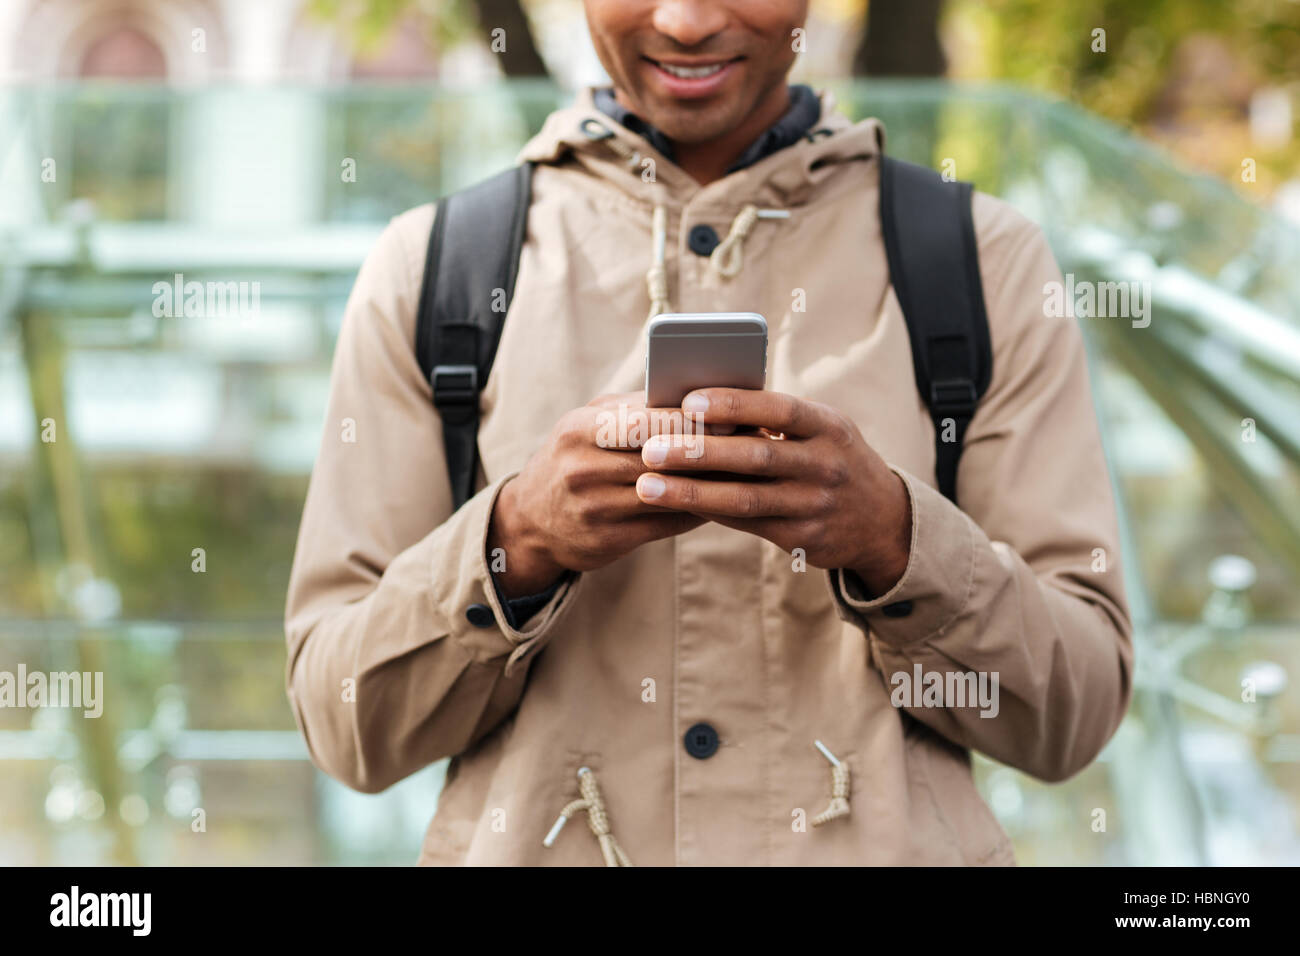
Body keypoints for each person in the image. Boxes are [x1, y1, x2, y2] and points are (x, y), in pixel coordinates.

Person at [285, 0, 1133, 865]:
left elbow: (1073, 716)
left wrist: (897, 541)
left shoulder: (985, 263)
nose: (687, 22)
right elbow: (345, 726)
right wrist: (515, 543)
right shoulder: (433, 271)